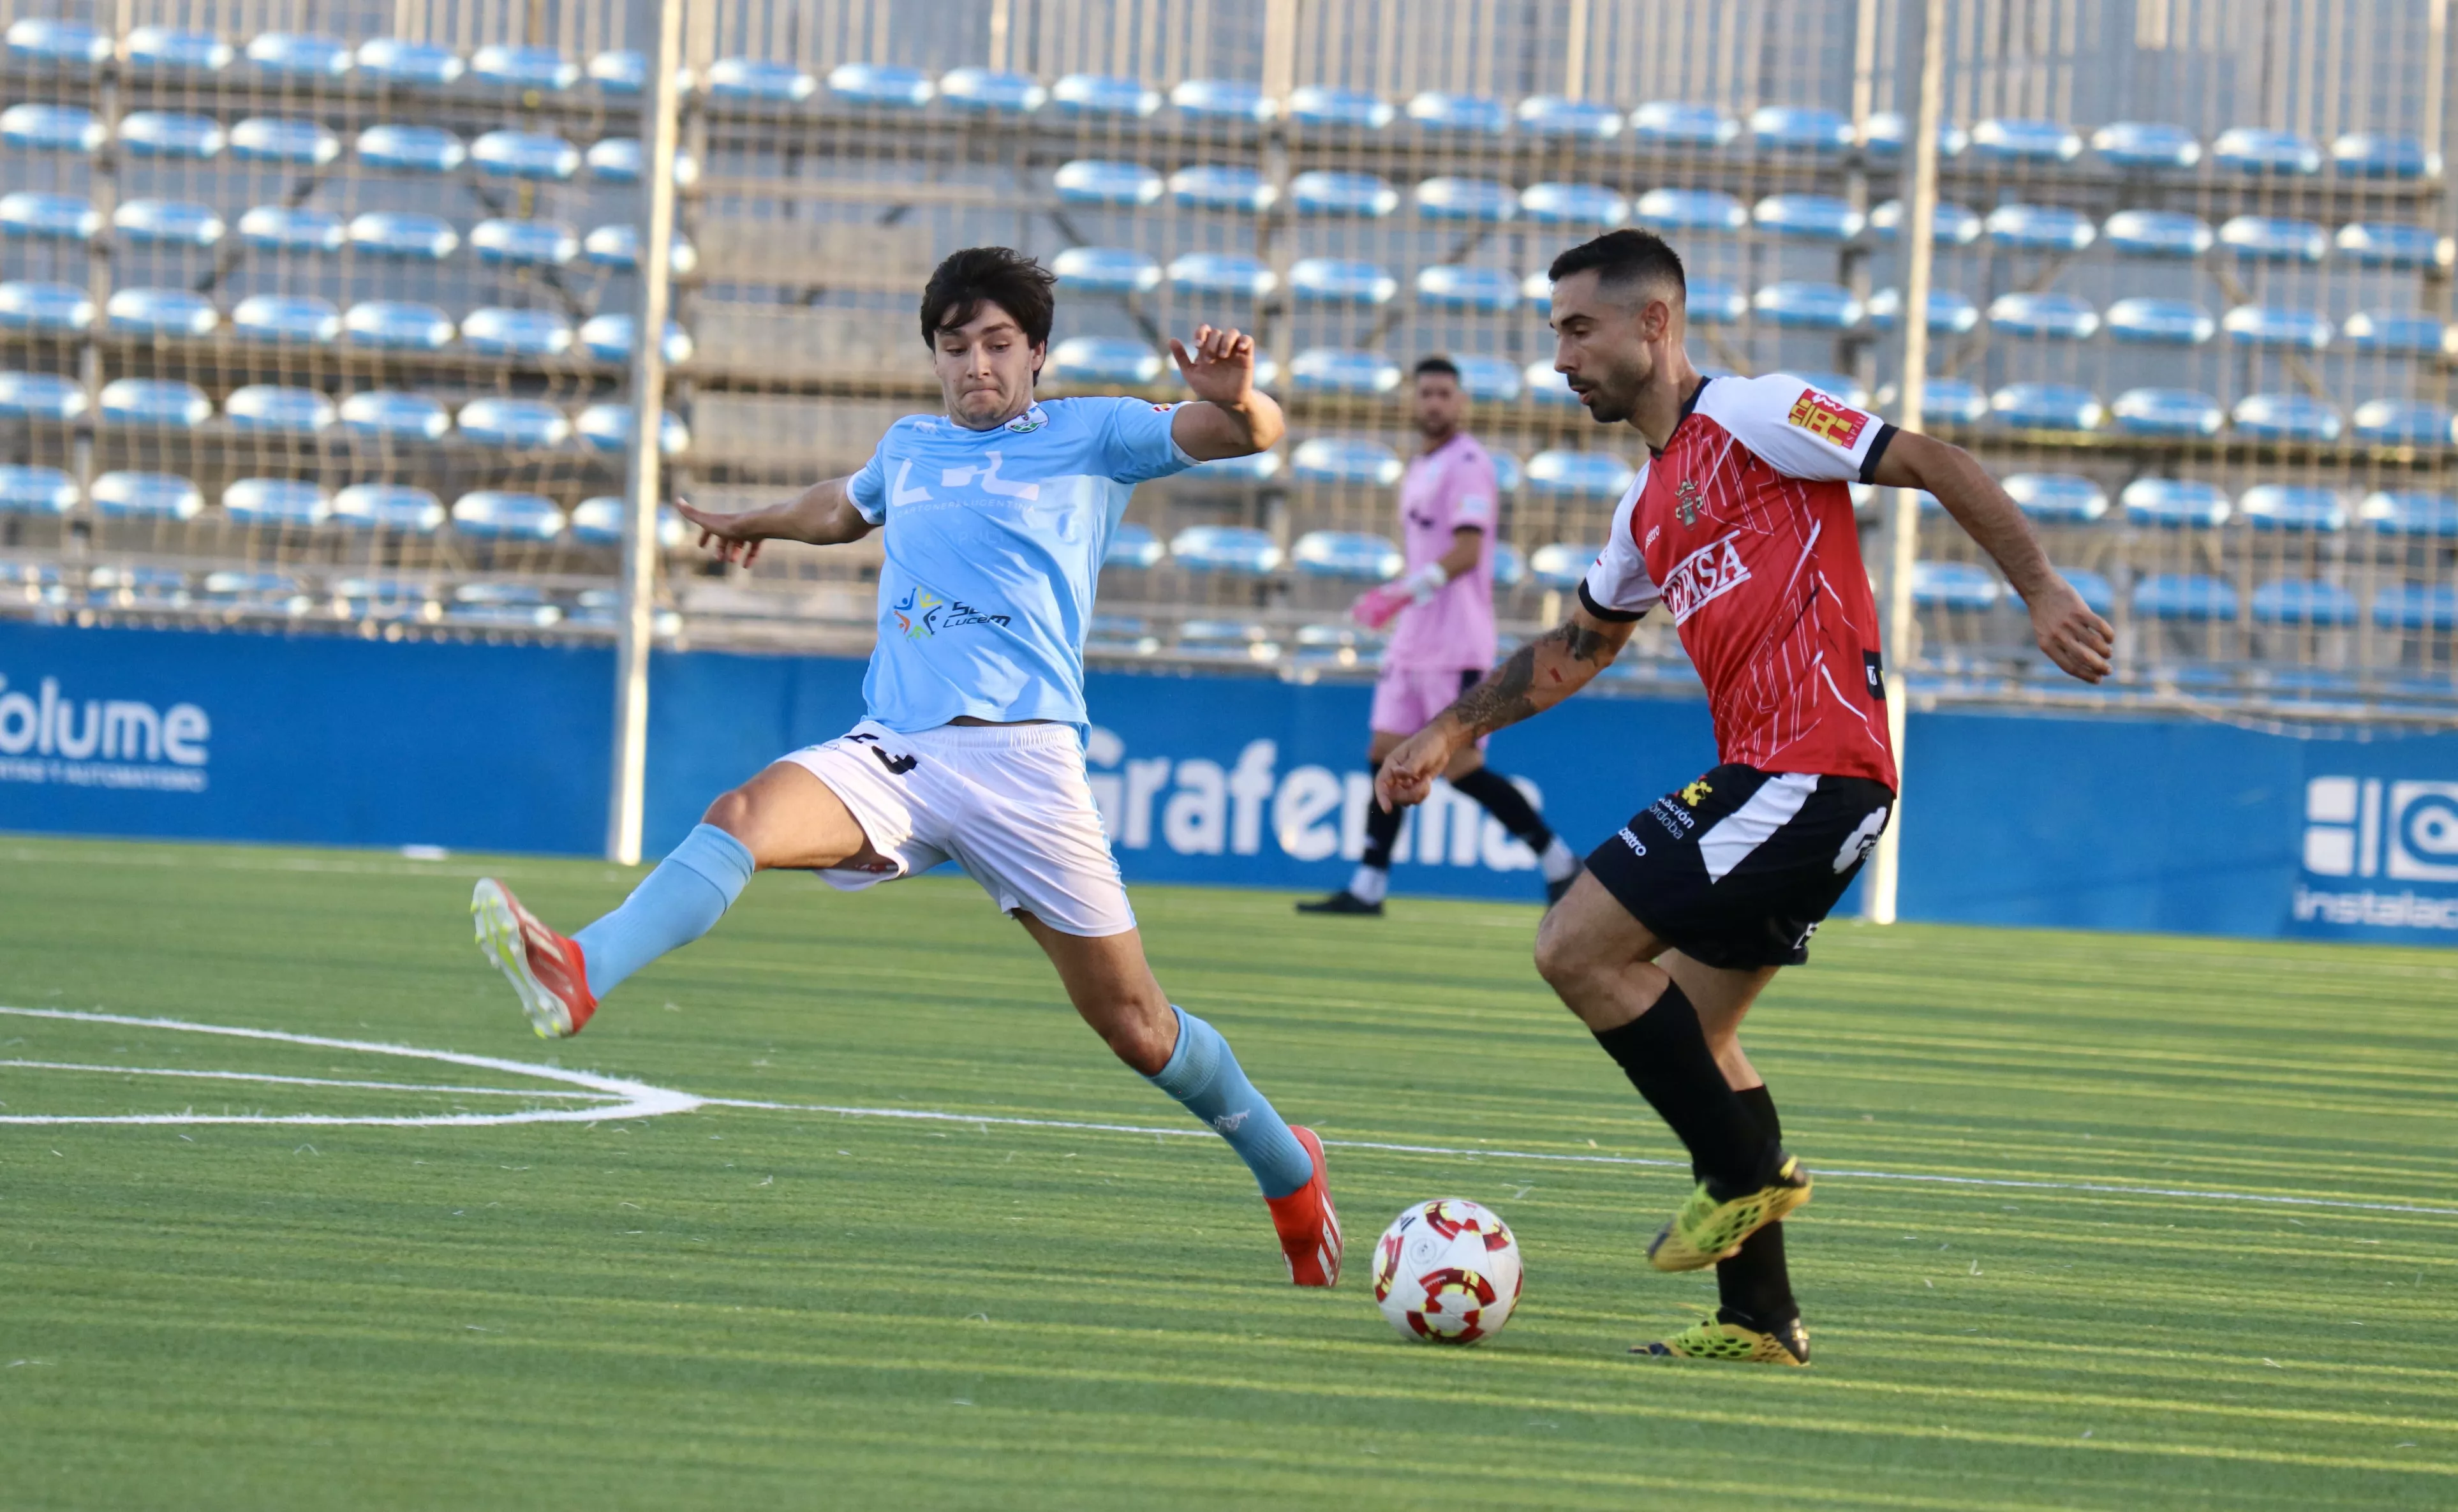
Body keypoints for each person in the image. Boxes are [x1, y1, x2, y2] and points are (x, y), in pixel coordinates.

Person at [470, 247, 1343, 1288]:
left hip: (1026, 767)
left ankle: (1288, 1173)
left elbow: (1242, 435)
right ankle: (581, 973)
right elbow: (845, 506)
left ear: (1035, 355)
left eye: (997, 344)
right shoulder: (911, 447)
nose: (976, 363)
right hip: (898, 751)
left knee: (1136, 1027)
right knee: (742, 811)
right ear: (933, 356)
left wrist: (1238, 399)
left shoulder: (1093, 434)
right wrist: (755, 523)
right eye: (954, 345)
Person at [1376, 230, 2113, 1364]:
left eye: (1578, 329)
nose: (1561, 357)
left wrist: (2040, 586)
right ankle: (1760, 1321)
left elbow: (1926, 459)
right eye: (1554, 334)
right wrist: (1447, 729)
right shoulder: (1644, 507)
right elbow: (1577, 648)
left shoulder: (1760, 414)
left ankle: (1744, 1176)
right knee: (1702, 1033)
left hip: (1812, 767)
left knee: (1575, 945)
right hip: (1786, 780)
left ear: (1652, 323)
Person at [1298, 355, 1581, 916]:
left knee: (1460, 768)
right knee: (1383, 755)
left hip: (1455, 643)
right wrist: (1402, 601)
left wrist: (1405, 591)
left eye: (1443, 394)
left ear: (1460, 402)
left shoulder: (1468, 464)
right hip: (1413, 643)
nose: (1433, 403)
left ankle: (1557, 860)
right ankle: (1368, 886)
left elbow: (1469, 551)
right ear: (1413, 399)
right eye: (1425, 393)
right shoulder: (1420, 465)